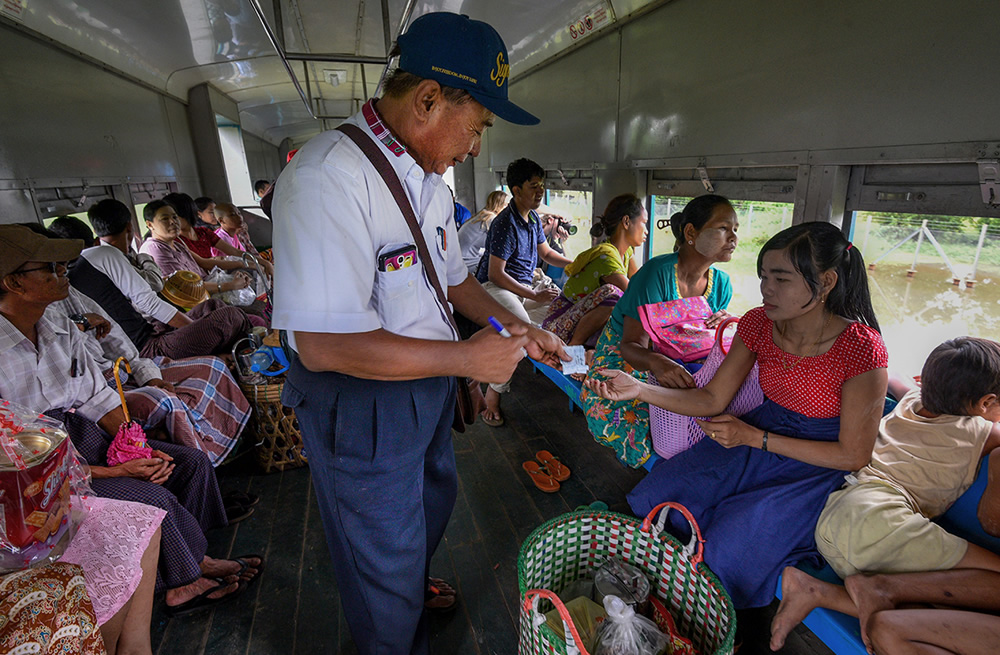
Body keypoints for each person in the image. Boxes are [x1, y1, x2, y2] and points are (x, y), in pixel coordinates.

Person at [270, 12, 564, 655]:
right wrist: (467, 358)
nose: (477, 146)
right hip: (360, 401)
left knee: (430, 506)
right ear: (428, 99)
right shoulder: (328, 178)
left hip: (424, 386)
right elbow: (324, 344)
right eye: (478, 126)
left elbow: (454, 281)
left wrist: (512, 323)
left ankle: (406, 591)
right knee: (382, 554)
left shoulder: (429, 179)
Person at [586, 221, 888, 611]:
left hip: (816, 460)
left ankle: (711, 617)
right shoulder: (759, 324)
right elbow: (712, 398)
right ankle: (657, 593)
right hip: (762, 430)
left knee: (732, 540)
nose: (766, 289)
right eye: (764, 276)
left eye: (781, 279)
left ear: (826, 281)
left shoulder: (861, 349)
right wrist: (641, 389)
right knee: (668, 487)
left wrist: (754, 438)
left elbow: (853, 455)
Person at [0, 225, 262, 617]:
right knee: (151, 496)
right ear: (13, 282)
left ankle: (193, 559)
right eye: (50, 267)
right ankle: (183, 582)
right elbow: (14, 458)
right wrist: (111, 471)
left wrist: (135, 446)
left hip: (81, 435)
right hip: (36, 471)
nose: (63, 272)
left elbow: (98, 397)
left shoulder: (58, 325)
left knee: (187, 464)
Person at [768, 337, 1000, 650]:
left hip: (835, 521)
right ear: (985, 403)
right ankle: (845, 591)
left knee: (933, 609)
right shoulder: (982, 432)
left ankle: (816, 591)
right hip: (883, 523)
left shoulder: (911, 401)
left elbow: (893, 377)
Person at [579, 194, 737, 467]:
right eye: (723, 228)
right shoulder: (657, 274)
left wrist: (727, 323)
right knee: (641, 427)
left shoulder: (722, 285)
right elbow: (630, 346)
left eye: (735, 230)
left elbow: (699, 343)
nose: (733, 237)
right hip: (629, 360)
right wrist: (658, 363)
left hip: (678, 361)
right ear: (691, 232)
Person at [48, 285, 250, 467]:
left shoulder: (69, 292)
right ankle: (202, 459)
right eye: (51, 269)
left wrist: (149, 376)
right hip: (93, 395)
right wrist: (80, 323)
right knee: (164, 401)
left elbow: (118, 343)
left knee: (212, 365)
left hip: (121, 371)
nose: (59, 275)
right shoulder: (34, 325)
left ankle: (220, 446)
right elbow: (86, 390)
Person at [65, 204, 256, 359]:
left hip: (152, 329)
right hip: (148, 347)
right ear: (132, 226)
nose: (173, 222)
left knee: (215, 305)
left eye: (174, 217)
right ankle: (238, 354)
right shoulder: (106, 254)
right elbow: (150, 300)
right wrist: (195, 328)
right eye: (166, 218)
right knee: (229, 316)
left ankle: (238, 349)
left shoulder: (82, 268)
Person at [473, 157, 574, 426]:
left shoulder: (531, 221)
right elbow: (496, 274)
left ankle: (551, 354)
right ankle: (494, 393)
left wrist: (576, 264)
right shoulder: (505, 223)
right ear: (516, 190)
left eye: (542, 185)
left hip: (525, 287)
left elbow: (547, 253)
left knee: (559, 308)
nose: (540, 191)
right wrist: (534, 296)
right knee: (516, 334)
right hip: (496, 288)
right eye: (533, 186)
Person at [540, 193, 647, 347]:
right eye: (644, 223)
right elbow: (634, 295)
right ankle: (573, 349)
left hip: (575, 321)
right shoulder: (605, 257)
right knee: (614, 294)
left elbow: (640, 285)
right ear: (626, 221)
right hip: (559, 325)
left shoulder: (626, 253)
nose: (646, 231)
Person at [458, 190, 509, 273]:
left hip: (461, 259)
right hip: (466, 262)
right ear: (500, 205)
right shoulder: (491, 219)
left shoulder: (482, 215)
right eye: (506, 205)